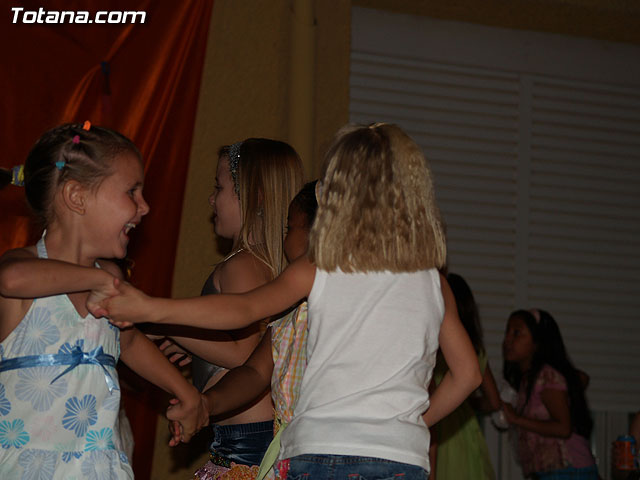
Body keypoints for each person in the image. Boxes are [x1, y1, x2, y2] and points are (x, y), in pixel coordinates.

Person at [93, 122, 482, 479]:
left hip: (321, 451)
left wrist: (151, 307)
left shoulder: (322, 266)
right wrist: (412, 423)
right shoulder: (433, 283)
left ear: (335, 196)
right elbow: (468, 375)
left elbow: (245, 308)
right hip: (400, 456)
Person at [0, 122, 208, 479]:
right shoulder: (25, 269)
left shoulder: (111, 275)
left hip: (97, 467)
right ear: (77, 196)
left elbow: (128, 340)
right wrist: (100, 281)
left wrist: (185, 391)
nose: (145, 207)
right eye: (132, 192)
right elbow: (11, 279)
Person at [157, 139, 304, 479]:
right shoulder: (265, 264)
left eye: (219, 187)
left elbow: (244, 356)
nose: (212, 199)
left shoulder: (242, 265)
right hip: (247, 438)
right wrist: (198, 345)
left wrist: (167, 325)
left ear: (255, 197)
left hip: (245, 445)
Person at [188, 180, 317, 480]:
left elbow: (244, 310)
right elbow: (254, 372)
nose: (284, 239)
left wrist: (157, 315)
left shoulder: (343, 314)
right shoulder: (289, 318)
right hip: (286, 456)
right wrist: (207, 403)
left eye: (290, 228)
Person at [502, 308, 598, 479]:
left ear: (538, 342)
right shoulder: (528, 380)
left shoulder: (546, 376)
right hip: (552, 471)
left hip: (568, 469)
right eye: (507, 332)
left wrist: (517, 419)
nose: (507, 340)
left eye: (517, 333)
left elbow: (563, 428)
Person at [432, 272, 500, 479]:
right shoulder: (475, 352)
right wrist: (466, 402)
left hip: (438, 428)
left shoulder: (432, 348)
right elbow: (494, 402)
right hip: (463, 430)